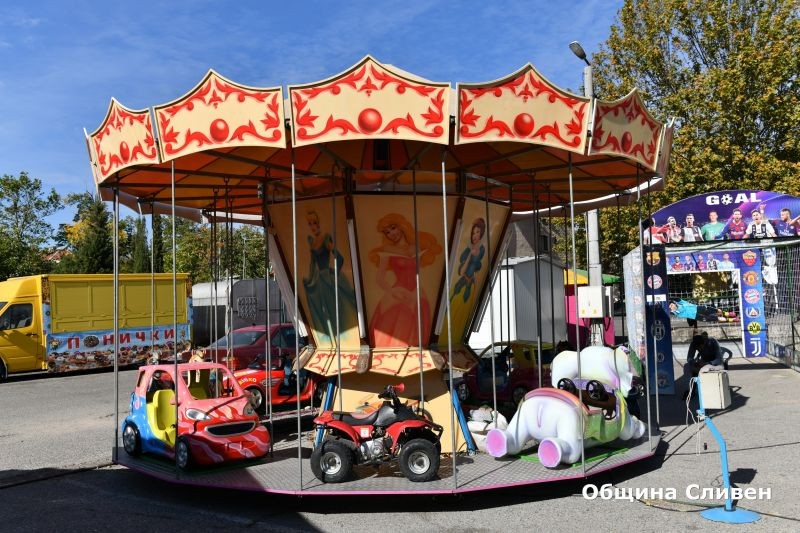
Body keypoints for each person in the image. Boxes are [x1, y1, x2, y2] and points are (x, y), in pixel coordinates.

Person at [369, 213, 442, 347]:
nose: (391, 234)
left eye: (393, 228)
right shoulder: (387, 249)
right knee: (398, 319)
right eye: (387, 232)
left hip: (416, 292)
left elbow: (417, 274)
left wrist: (415, 293)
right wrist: (394, 291)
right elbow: (380, 279)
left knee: (419, 320)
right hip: (398, 292)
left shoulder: (415, 248)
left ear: (401, 226)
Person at [302, 209, 358, 346]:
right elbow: (312, 264)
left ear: (319, 223)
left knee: (335, 309)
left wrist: (335, 274)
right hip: (319, 281)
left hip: (329, 279)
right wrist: (310, 279)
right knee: (324, 312)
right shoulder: (312, 242)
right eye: (310, 223)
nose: (313, 226)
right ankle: (332, 343)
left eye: (314, 222)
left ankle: (345, 341)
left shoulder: (326, 238)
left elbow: (340, 258)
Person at [682, 331, 723, 400]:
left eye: (701, 346)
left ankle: (705, 389)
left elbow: (719, 359)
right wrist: (693, 362)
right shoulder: (694, 344)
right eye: (698, 347)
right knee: (687, 366)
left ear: (704, 342)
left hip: (716, 364)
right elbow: (689, 357)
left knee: (704, 369)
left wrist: (707, 363)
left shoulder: (713, 342)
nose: (700, 349)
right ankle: (690, 390)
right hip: (703, 363)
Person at [668, 299, 737, 326]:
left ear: (674, 303)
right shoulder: (675, 313)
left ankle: (727, 313)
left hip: (699, 308)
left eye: (671, 305)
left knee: (716, 311)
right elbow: (667, 312)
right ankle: (732, 319)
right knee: (715, 318)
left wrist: (667, 298)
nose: (671, 307)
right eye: (670, 308)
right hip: (696, 316)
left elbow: (675, 298)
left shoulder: (681, 302)